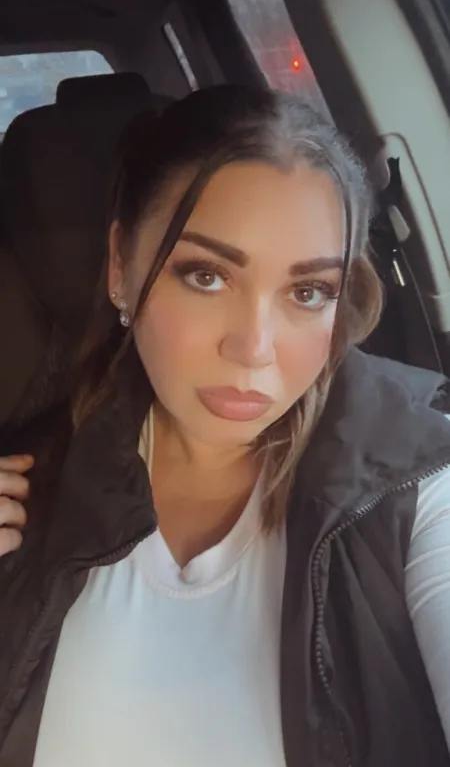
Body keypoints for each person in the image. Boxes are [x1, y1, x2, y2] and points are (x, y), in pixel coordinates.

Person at [0, 85, 450, 767]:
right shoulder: (26, 489)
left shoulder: (418, 483)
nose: (254, 349)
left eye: (308, 292)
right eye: (206, 276)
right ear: (121, 266)